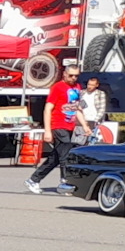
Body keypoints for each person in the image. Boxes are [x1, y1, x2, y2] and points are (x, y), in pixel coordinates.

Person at [26, 61, 82, 194]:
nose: (73, 78)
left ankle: (34, 180)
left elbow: (77, 108)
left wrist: (85, 125)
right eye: (71, 75)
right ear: (64, 74)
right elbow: (47, 109)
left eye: (76, 76)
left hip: (70, 125)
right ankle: (65, 183)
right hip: (58, 125)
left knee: (55, 157)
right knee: (66, 156)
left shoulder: (77, 87)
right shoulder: (57, 87)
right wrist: (47, 130)